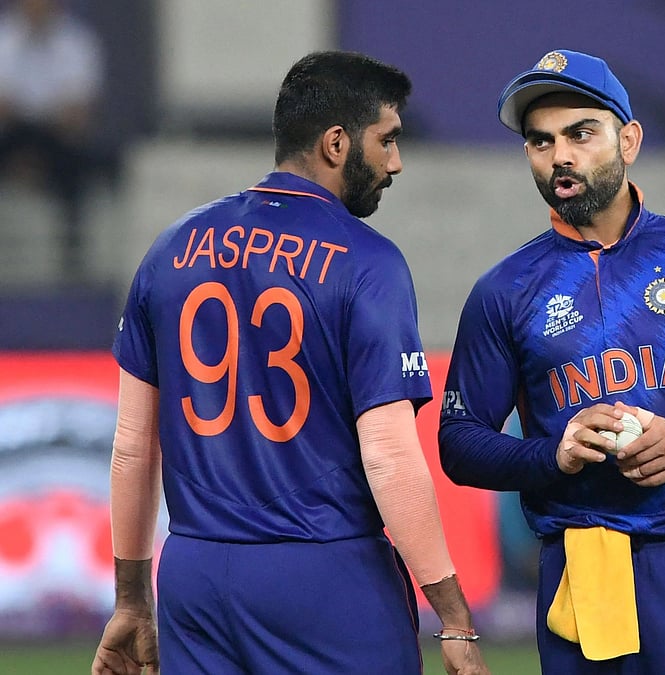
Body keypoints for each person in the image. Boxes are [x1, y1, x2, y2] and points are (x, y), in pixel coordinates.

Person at [92, 51, 489, 675]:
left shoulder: (169, 249)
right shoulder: (367, 261)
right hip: (323, 574)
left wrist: (131, 599)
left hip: (194, 574)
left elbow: (132, 448)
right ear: (337, 143)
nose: (395, 162)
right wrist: (454, 613)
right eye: (386, 140)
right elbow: (387, 454)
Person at [439, 49, 665, 673]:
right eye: (541, 140)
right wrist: (551, 455)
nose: (561, 155)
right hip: (578, 568)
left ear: (628, 139)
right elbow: (459, 441)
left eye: (581, 133)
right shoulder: (505, 290)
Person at [0, 0, 104, 276]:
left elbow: (77, 113)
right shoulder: (5, 38)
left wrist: (29, 112)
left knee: (76, 169)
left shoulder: (76, 42)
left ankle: (72, 257)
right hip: (12, 134)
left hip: (55, 138)